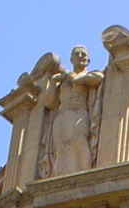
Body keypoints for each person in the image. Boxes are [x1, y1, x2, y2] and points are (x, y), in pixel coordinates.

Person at [44, 46, 104, 177]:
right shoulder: (63, 82)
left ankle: (84, 173)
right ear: (71, 59)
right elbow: (49, 102)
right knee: (61, 146)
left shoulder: (89, 75)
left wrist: (70, 76)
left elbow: (98, 77)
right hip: (62, 115)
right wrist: (53, 82)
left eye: (83, 54)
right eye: (77, 54)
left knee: (79, 141)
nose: (80, 56)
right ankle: (60, 176)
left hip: (79, 112)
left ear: (88, 61)